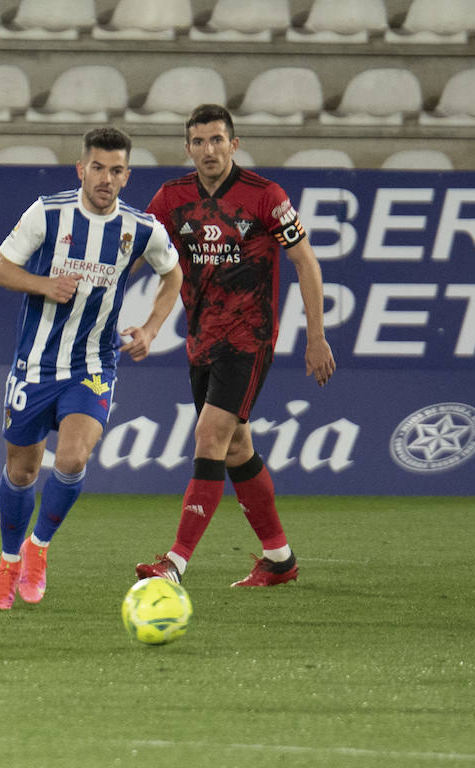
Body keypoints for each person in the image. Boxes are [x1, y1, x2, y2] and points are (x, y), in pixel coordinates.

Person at [136, 104, 336, 587]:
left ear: (234, 144)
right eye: (199, 142)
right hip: (201, 338)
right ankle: (280, 560)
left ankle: (175, 563)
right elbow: (140, 253)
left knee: (210, 437)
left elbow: (306, 263)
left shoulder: (266, 197)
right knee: (235, 446)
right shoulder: (170, 198)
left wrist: (316, 336)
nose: (209, 150)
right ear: (188, 148)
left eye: (218, 140)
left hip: (250, 337)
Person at [0, 127, 182, 610]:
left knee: (72, 459)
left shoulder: (141, 229)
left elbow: (173, 274)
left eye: (116, 170)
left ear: (126, 175)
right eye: (98, 167)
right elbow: (0, 269)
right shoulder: (47, 213)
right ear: (81, 169)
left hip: (94, 365)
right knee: (22, 468)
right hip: (35, 366)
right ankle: (9, 561)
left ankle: (38, 550)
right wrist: (43, 284)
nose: (106, 178)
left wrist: (153, 329)